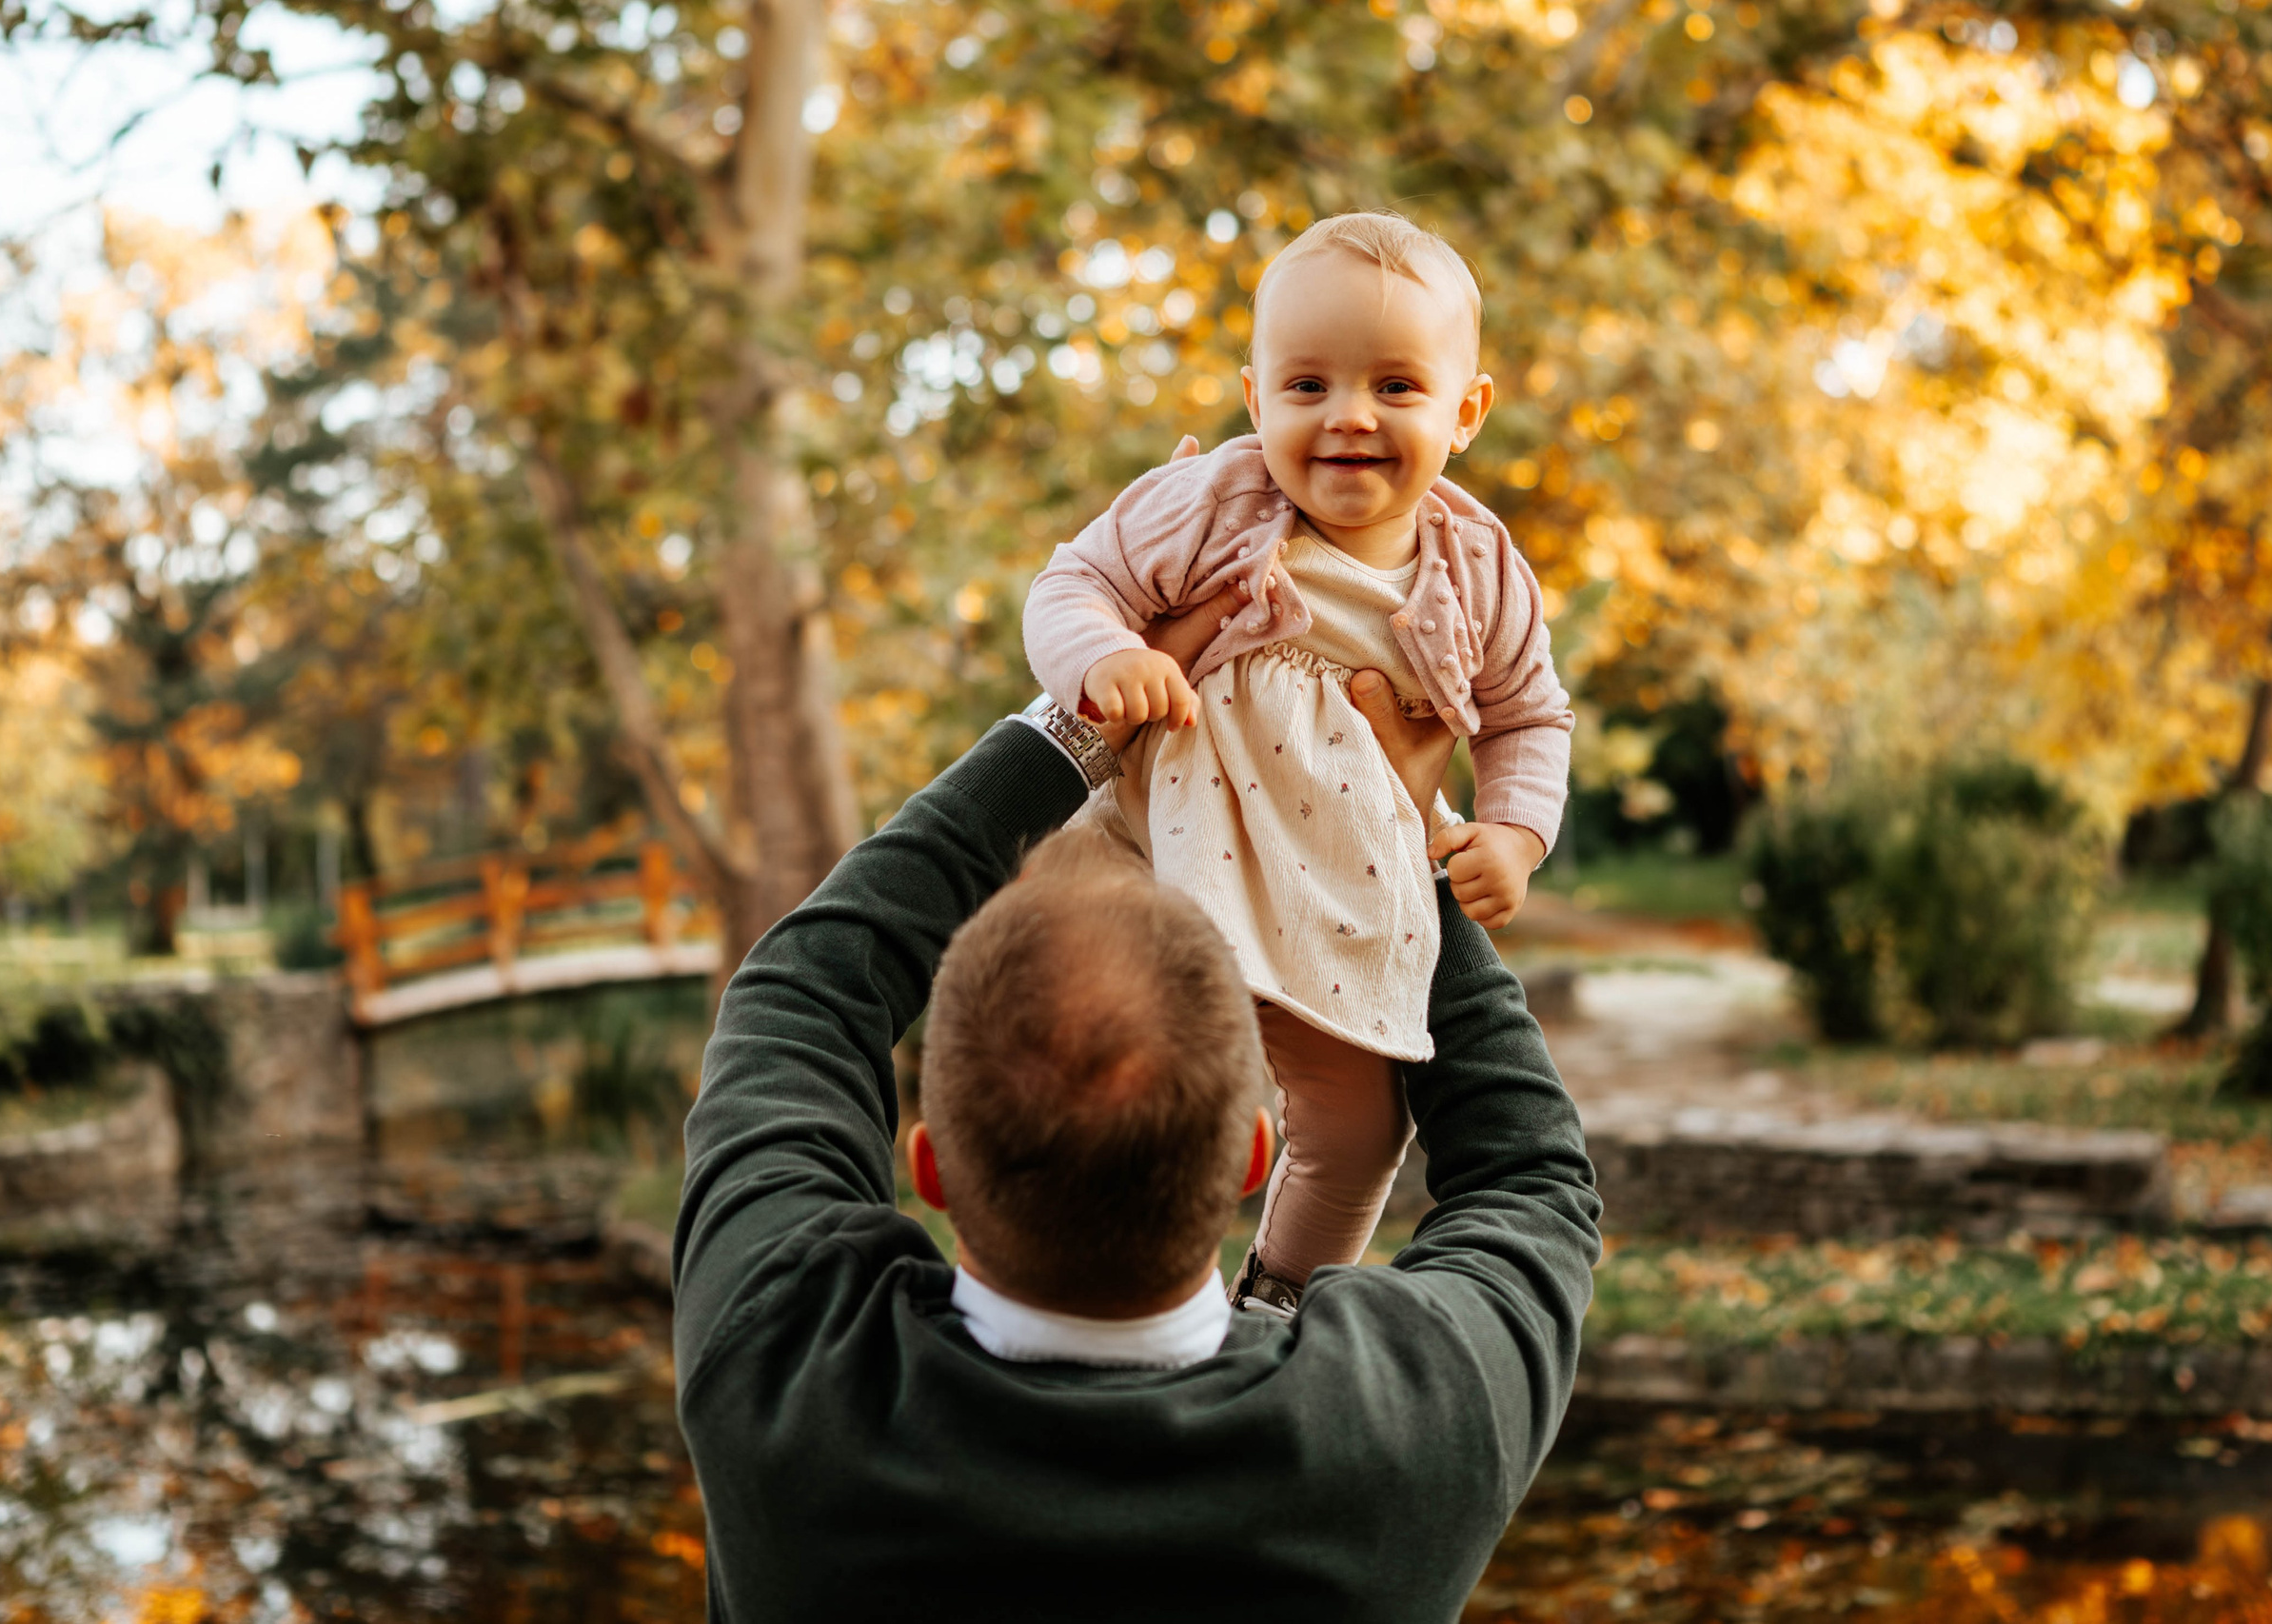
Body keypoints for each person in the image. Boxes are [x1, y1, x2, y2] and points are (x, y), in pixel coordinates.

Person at [670, 597, 1602, 1621]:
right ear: (1253, 1154)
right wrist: (1392, 823)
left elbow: (800, 993)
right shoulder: (1413, 1424)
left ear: (928, 1166)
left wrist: (1079, 723)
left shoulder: (783, 1368)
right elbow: (1532, 1177)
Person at [1021, 210, 1576, 1313]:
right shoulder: (1214, 503)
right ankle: (1081, 1294)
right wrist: (1108, 658)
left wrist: (1511, 832)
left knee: (1364, 1127)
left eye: (1396, 387)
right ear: (1255, 399)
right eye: (1308, 386)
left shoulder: (1479, 571)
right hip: (1153, 857)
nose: (1349, 418)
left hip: (1336, 895)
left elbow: (1528, 718)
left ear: (1465, 412)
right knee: (1105, 1081)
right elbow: (1071, 579)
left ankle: (1275, 1298)